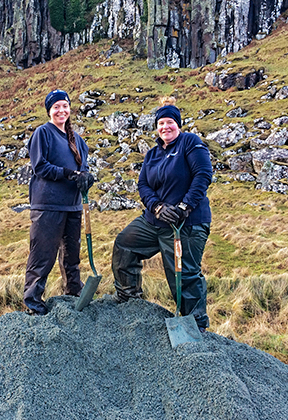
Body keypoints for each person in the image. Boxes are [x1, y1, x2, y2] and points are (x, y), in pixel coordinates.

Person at [111, 96, 213, 332]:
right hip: (154, 221)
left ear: (178, 124)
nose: (165, 127)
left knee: (183, 274)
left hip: (186, 224)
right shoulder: (152, 154)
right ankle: (129, 298)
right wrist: (156, 206)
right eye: (161, 123)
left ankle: (195, 326)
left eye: (170, 122)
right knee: (125, 244)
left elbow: (202, 175)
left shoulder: (190, 143)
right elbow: (143, 185)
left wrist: (184, 207)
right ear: (156, 127)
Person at [24, 90, 94, 316]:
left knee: (72, 255)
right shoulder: (42, 133)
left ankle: (74, 293)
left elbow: (82, 169)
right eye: (56, 107)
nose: (61, 111)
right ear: (49, 111)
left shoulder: (78, 140)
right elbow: (40, 166)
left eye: (64, 106)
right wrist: (68, 173)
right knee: (43, 255)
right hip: (48, 205)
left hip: (73, 206)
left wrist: (85, 177)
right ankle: (33, 301)